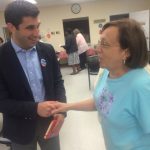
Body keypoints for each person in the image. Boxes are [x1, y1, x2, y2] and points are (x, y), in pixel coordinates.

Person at [52, 19, 150, 150]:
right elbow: (101, 102)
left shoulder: (142, 87)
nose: (97, 49)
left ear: (126, 52)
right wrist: (66, 106)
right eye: (99, 43)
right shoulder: (107, 72)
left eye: (105, 44)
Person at [0, 1, 66, 150]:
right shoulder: (2, 57)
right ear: (11, 27)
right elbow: (2, 102)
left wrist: (62, 110)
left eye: (38, 26)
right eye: (30, 28)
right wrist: (35, 108)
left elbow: (58, 82)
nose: (37, 33)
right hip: (19, 128)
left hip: (50, 123)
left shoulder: (47, 50)